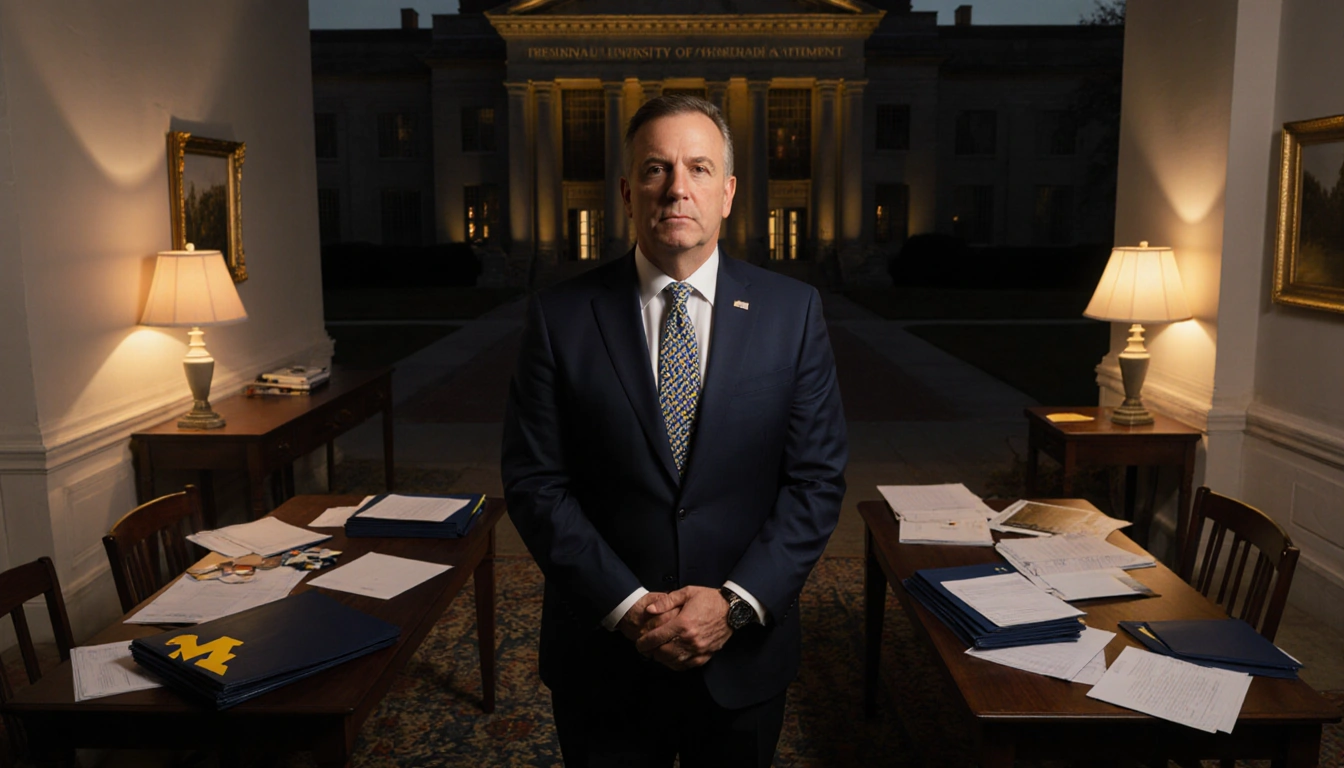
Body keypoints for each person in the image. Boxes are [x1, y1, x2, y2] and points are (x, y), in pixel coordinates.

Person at [501, 94, 848, 768]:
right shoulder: (559, 317)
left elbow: (815, 480)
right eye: (657, 169)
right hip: (603, 656)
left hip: (743, 654)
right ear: (629, 193)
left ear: (727, 192)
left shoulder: (793, 312)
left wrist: (735, 606)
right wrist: (629, 606)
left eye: (698, 167)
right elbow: (536, 484)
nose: (677, 188)